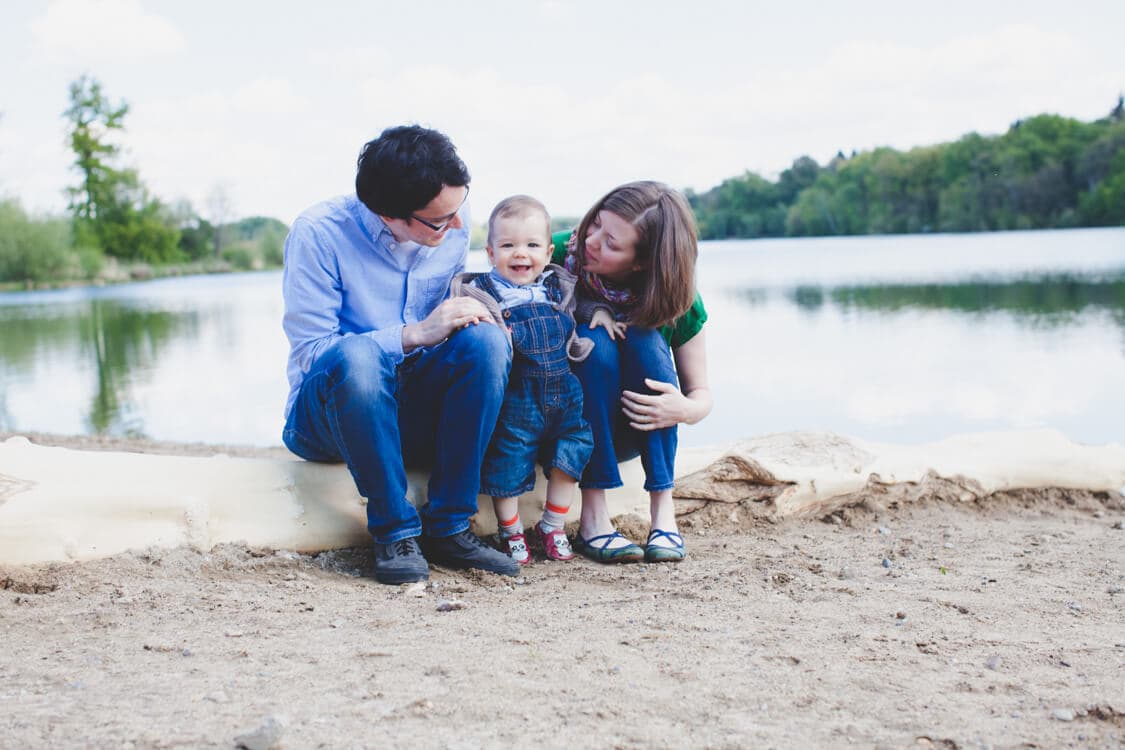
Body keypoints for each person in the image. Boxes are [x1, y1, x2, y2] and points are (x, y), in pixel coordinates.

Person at [281, 125, 520, 585]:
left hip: (409, 410)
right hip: (330, 418)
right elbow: (314, 355)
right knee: (358, 356)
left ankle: (450, 525)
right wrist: (413, 334)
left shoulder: (449, 214)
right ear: (388, 215)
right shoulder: (318, 234)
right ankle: (394, 531)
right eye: (438, 221)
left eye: (458, 211)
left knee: (485, 341)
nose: (455, 226)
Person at [552, 181, 713, 563]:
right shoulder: (556, 251)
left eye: (611, 243)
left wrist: (683, 409)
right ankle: (594, 516)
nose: (590, 240)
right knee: (596, 338)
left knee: (644, 339)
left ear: (642, 262)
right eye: (596, 225)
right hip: (572, 428)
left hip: (640, 425)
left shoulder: (677, 297)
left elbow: (702, 394)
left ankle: (663, 513)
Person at [449, 196, 593, 564]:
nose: (520, 254)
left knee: (572, 453)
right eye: (508, 245)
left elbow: (582, 311)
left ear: (547, 253)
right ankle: (511, 531)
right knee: (508, 463)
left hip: (564, 397)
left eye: (531, 246)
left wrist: (603, 314)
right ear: (490, 251)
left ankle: (552, 526)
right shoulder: (483, 291)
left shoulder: (556, 288)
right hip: (518, 399)